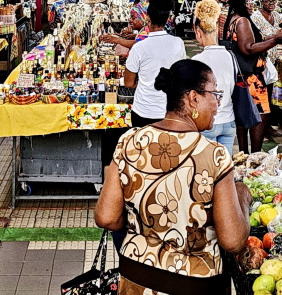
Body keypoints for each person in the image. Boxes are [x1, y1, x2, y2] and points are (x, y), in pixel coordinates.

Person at [95, 59, 252, 294]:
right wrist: (242, 198)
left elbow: (106, 217)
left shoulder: (128, 141)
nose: (217, 104)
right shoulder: (214, 155)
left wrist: (140, 228)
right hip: (195, 282)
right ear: (193, 99)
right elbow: (233, 241)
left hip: (135, 276)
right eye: (215, 94)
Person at [224, 0, 282, 153]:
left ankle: (244, 153)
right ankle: (256, 154)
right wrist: (275, 41)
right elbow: (248, 48)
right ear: (242, 4)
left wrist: (271, 38)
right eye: (248, 2)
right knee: (261, 115)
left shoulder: (233, 19)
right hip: (251, 75)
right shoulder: (243, 21)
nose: (252, 5)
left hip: (239, 73)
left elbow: (252, 39)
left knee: (242, 114)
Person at [123, 0, 187, 127]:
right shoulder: (178, 43)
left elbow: (128, 83)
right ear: (167, 19)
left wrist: (144, 83)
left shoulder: (139, 48)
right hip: (169, 112)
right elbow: (180, 76)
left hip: (144, 112)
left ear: (148, 18)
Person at [191, 0, 235, 153]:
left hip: (207, 122)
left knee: (207, 172)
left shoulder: (197, 61)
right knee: (225, 171)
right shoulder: (231, 57)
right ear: (217, 29)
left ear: (198, 31)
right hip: (229, 121)